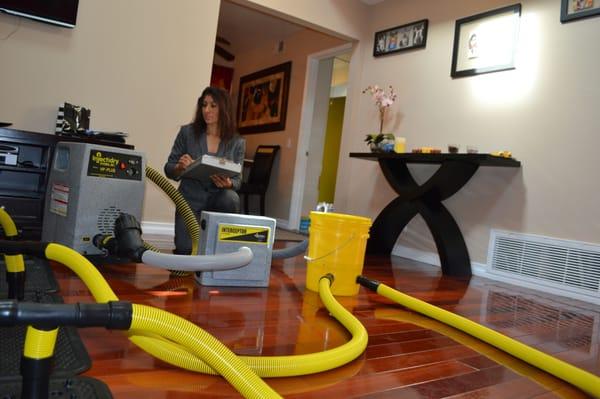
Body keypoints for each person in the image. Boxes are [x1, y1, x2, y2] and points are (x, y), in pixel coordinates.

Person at [164, 86, 245, 255]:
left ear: (224, 108)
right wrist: (179, 167)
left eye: (213, 106)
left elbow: (238, 180)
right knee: (185, 250)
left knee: (231, 197)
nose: (206, 110)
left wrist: (229, 183)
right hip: (190, 200)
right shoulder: (187, 133)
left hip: (219, 200)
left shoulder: (237, 142)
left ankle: (222, 247)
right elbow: (169, 168)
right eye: (204, 105)